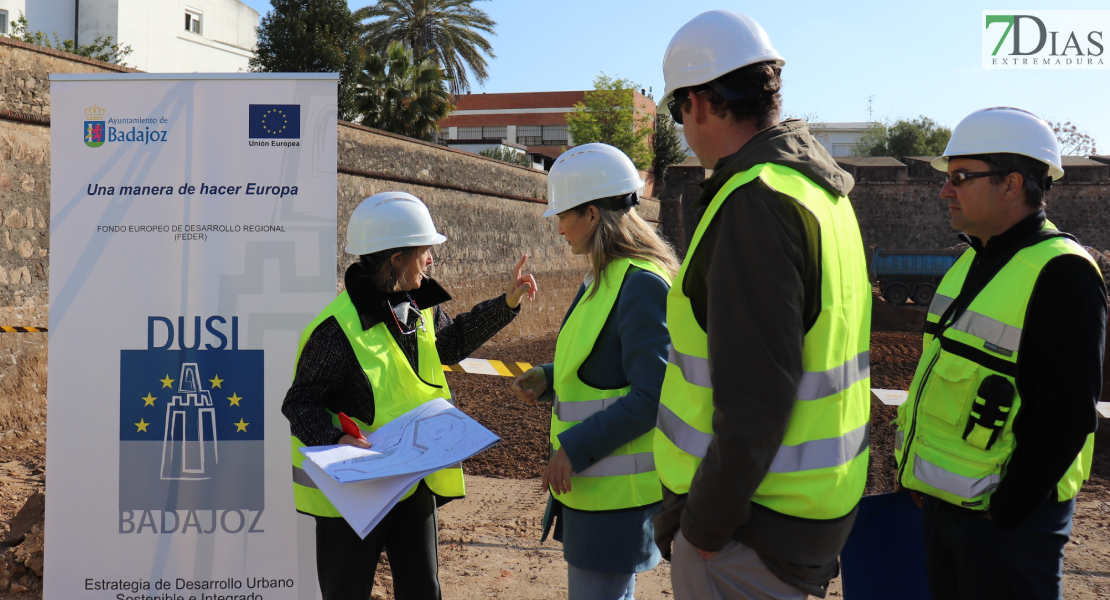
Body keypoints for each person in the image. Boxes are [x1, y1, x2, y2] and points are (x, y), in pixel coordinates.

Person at [650, 10, 872, 600]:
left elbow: (755, 402)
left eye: (676, 111)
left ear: (698, 102)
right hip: (809, 511)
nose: (681, 126)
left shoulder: (756, 202)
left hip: (748, 532)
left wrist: (701, 528)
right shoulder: (822, 192)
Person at [893, 107, 1106, 599]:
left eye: (961, 177)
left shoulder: (1064, 273)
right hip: (948, 510)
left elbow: (1070, 412)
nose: (945, 190)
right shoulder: (970, 260)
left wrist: (1008, 509)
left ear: (1012, 184)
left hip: (1008, 527)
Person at [282, 191, 537, 600]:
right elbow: (300, 404)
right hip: (355, 495)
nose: (432, 259)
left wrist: (506, 304)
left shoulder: (419, 305)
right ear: (396, 258)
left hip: (413, 483)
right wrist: (336, 440)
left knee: (422, 591)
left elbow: (449, 345)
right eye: (425, 251)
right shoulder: (335, 328)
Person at [510, 143, 679, 600]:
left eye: (563, 215)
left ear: (590, 214)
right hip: (592, 492)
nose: (559, 228)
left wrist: (575, 448)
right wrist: (547, 377)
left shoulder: (640, 282)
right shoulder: (603, 276)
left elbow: (653, 395)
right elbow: (604, 364)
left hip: (615, 498)